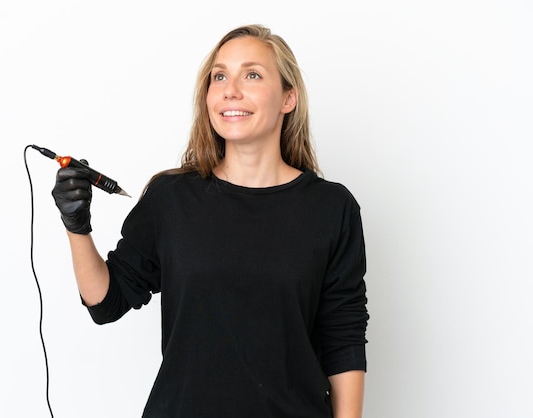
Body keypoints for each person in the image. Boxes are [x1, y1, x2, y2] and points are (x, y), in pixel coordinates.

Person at [52, 24, 369, 418]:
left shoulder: (332, 208)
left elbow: (344, 336)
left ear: (289, 98)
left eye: (251, 74)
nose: (230, 89)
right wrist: (77, 226)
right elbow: (107, 302)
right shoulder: (171, 199)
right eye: (219, 76)